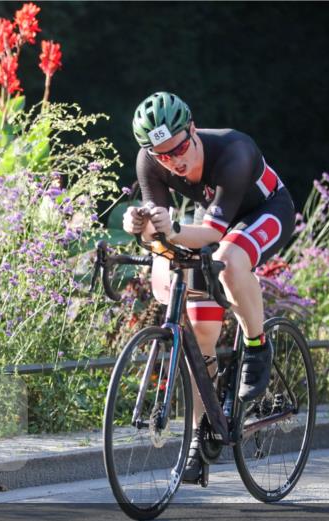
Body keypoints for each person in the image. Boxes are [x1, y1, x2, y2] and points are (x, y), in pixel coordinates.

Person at [122, 91, 296, 483]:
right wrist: (139, 226)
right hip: (210, 224)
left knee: (232, 261)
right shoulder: (150, 161)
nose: (175, 160)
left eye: (181, 147)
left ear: (193, 129)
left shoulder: (234, 151)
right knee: (199, 334)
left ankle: (257, 344)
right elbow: (158, 232)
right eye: (164, 155)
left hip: (265, 211)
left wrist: (174, 230)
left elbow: (212, 233)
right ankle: (203, 435)